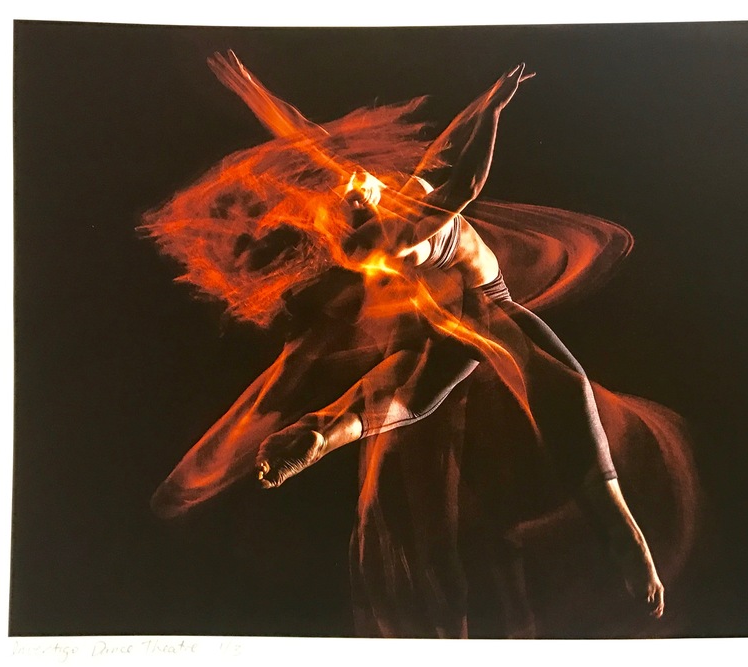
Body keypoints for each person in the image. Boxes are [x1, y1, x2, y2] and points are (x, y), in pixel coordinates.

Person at [250, 63, 666, 618]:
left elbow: (320, 140)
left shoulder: (387, 199)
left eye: (350, 183)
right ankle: (629, 542)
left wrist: (255, 92)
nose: (351, 180)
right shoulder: (397, 232)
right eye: (350, 195)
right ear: (361, 212)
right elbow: (465, 183)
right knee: (567, 393)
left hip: (441, 329)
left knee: (402, 394)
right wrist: (491, 112)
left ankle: (322, 433)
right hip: (486, 312)